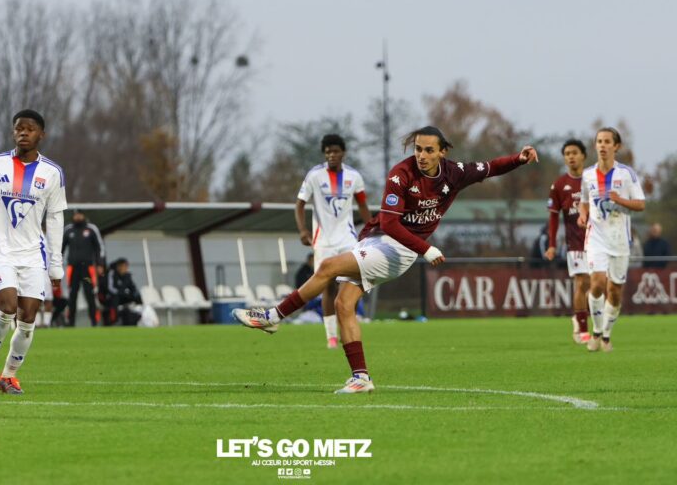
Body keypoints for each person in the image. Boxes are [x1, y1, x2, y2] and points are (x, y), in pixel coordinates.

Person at [234, 126, 538, 393]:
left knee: (327, 267)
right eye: (418, 149)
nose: (421, 155)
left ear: (442, 152)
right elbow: (390, 223)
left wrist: (519, 159)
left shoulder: (454, 173)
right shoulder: (401, 173)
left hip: (400, 249)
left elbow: (489, 167)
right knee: (343, 304)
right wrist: (427, 249)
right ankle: (361, 377)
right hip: (382, 239)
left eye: (429, 150)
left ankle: (274, 317)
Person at [0, 109, 67, 395]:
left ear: (41, 134)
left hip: (33, 256)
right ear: (14, 133)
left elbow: (55, 219)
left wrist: (56, 266)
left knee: (27, 320)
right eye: (18, 129)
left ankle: (9, 376)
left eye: (29, 129)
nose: (23, 133)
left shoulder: (52, 173)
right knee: (8, 307)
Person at [295, 134, 373, 349]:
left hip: (347, 238)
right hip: (323, 241)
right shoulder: (314, 175)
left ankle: (348, 326)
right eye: (328, 152)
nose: (331, 155)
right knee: (327, 287)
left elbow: (363, 205)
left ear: (343, 153)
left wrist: (370, 231)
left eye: (335, 151)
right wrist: (303, 231)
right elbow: (299, 205)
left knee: (351, 283)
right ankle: (331, 336)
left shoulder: (354, 176)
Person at [578, 127, 645, 352]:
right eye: (599, 141)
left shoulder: (627, 174)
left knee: (615, 291)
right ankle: (596, 332)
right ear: (595, 145)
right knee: (596, 283)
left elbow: (641, 204)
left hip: (619, 240)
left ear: (616, 146)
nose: (603, 145)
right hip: (596, 238)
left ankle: (606, 334)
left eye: (607, 142)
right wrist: (583, 213)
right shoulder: (588, 175)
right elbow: (584, 200)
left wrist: (620, 200)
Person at [545, 139, 591, 344]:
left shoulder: (592, 180)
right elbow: (554, 217)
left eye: (574, 152)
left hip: (597, 241)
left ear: (583, 156)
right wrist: (552, 244)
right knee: (581, 283)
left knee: (598, 285)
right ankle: (582, 328)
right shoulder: (559, 185)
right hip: (575, 244)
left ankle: (582, 316)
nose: (571, 156)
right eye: (567, 153)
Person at [62, 210, 105, 326]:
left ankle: (94, 321)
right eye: (76, 215)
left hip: (87, 269)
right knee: (72, 295)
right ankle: (70, 322)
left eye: (80, 214)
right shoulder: (68, 230)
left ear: (84, 215)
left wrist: (100, 264)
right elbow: (60, 248)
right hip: (73, 268)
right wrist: (57, 263)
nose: (78, 217)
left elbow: (99, 247)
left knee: (90, 294)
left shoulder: (91, 229)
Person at [106, 258, 144, 326]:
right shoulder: (112, 274)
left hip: (123, 296)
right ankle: (114, 320)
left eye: (126, 266)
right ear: (119, 267)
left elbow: (132, 287)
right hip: (112, 296)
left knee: (137, 296)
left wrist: (134, 294)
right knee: (115, 298)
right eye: (124, 266)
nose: (126, 268)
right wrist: (119, 293)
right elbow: (110, 288)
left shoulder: (127, 276)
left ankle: (140, 316)